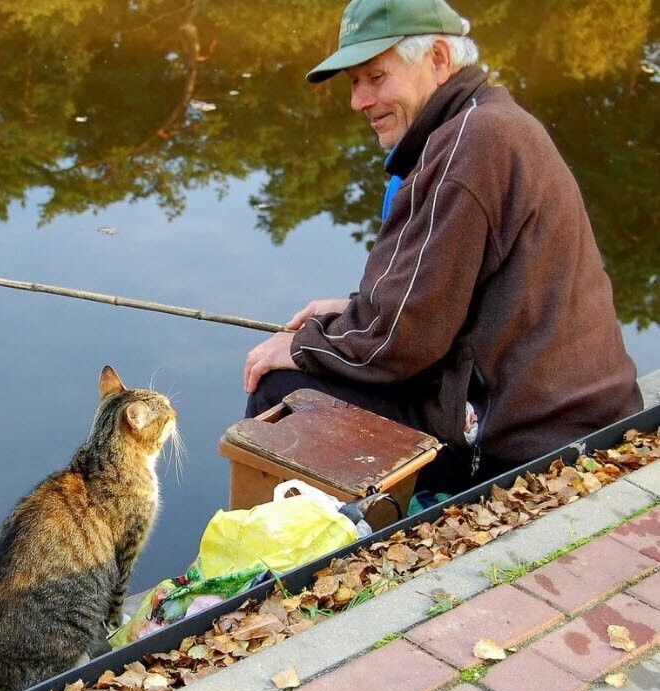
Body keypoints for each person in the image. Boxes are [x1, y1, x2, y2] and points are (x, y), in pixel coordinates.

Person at [242, 0, 642, 493]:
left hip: (534, 448)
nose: (359, 101)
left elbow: (400, 341)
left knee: (283, 392)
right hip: (587, 417)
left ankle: (286, 563)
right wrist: (353, 310)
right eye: (354, 82)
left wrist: (302, 347)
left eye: (376, 77)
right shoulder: (488, 122)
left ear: (436, 59)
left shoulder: (467, 148)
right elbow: (434, 300)